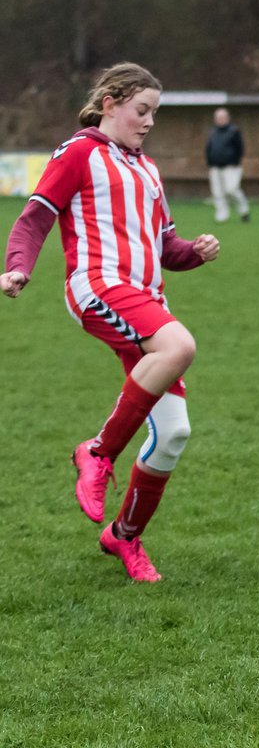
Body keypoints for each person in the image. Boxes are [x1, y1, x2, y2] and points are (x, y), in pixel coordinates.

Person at [1, 62, 220, 582]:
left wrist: (195, 251)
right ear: (111, 104)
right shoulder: (79, 152)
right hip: (99, 286)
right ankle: (97, 453)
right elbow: (36, 217)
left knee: (173, 434)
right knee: (179, 346)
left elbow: (165, 247)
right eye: (142, 110)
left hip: (144, 301)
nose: (148, 122)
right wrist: (17, 265)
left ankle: (123, 537)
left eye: (154, 114)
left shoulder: (148, 169)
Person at [205, 106, 250, 223]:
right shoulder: (213, 132)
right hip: (215, 167)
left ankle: (244, 209)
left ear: (227, 118)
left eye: (222, 117)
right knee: (217, 192)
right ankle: (222, 214)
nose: (220, 119)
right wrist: (210, 161)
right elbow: (209, 148)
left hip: (231, 167)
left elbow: (240, 148)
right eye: (218, 117)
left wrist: (235, 161)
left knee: (231, 189)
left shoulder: (234, 131)